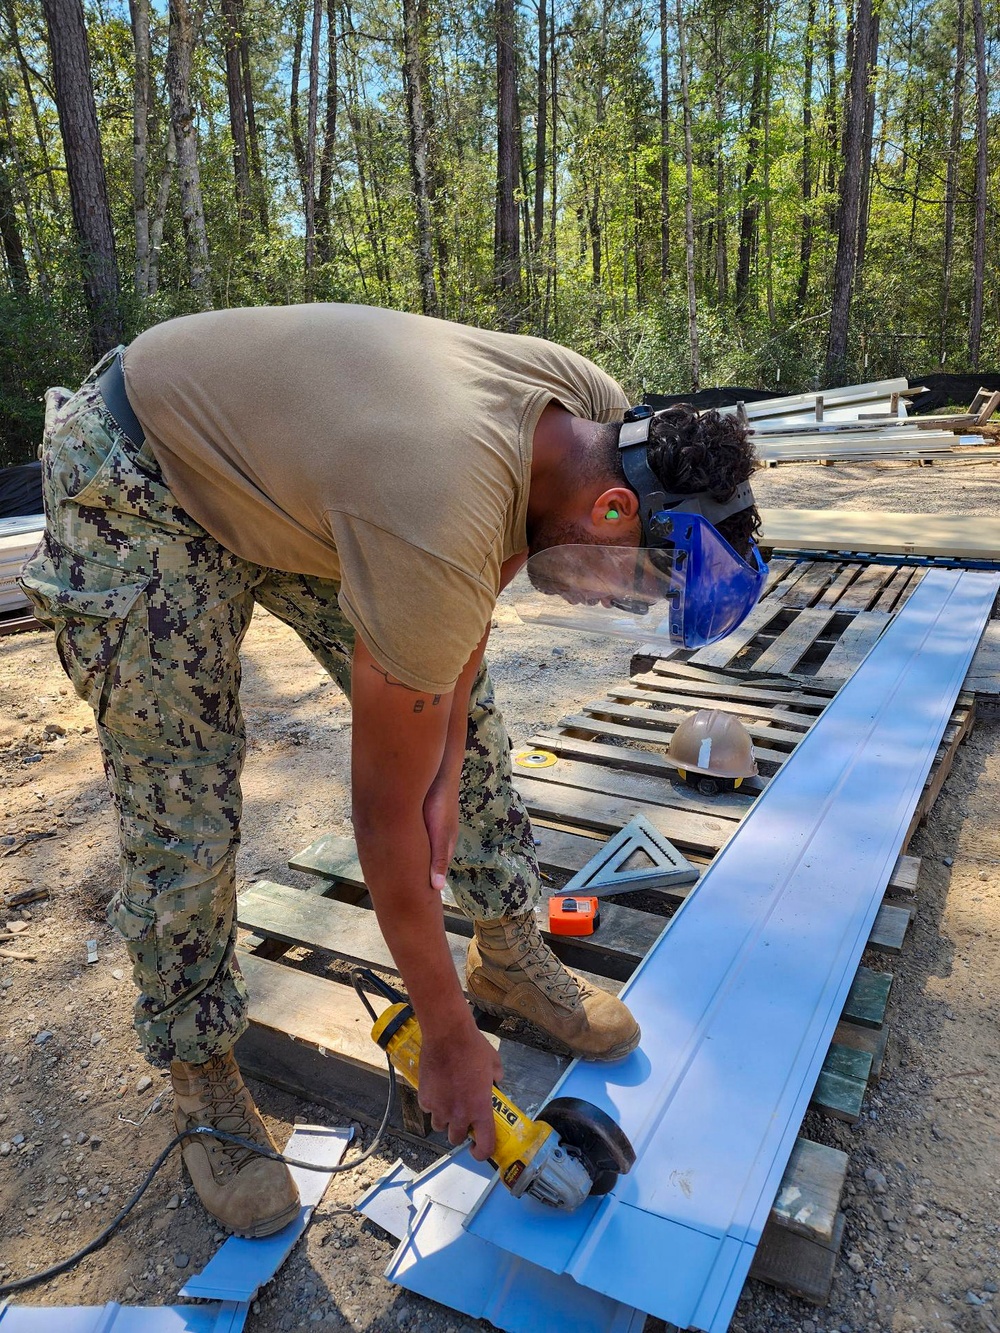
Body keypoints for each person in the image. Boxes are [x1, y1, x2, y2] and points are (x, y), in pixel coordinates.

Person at [19, 303, 761, 1239]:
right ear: (613, 511)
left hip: (302, 480)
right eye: (631, 586)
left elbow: (485, 580)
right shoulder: (435, 512)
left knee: (470, 724)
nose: (612, 604)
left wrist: (446, 768)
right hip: (144, 472)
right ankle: (199, 1063)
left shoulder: (596, 421)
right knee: (183, 802)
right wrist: (445, 1037)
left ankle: (506, 955)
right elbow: (382, 822)